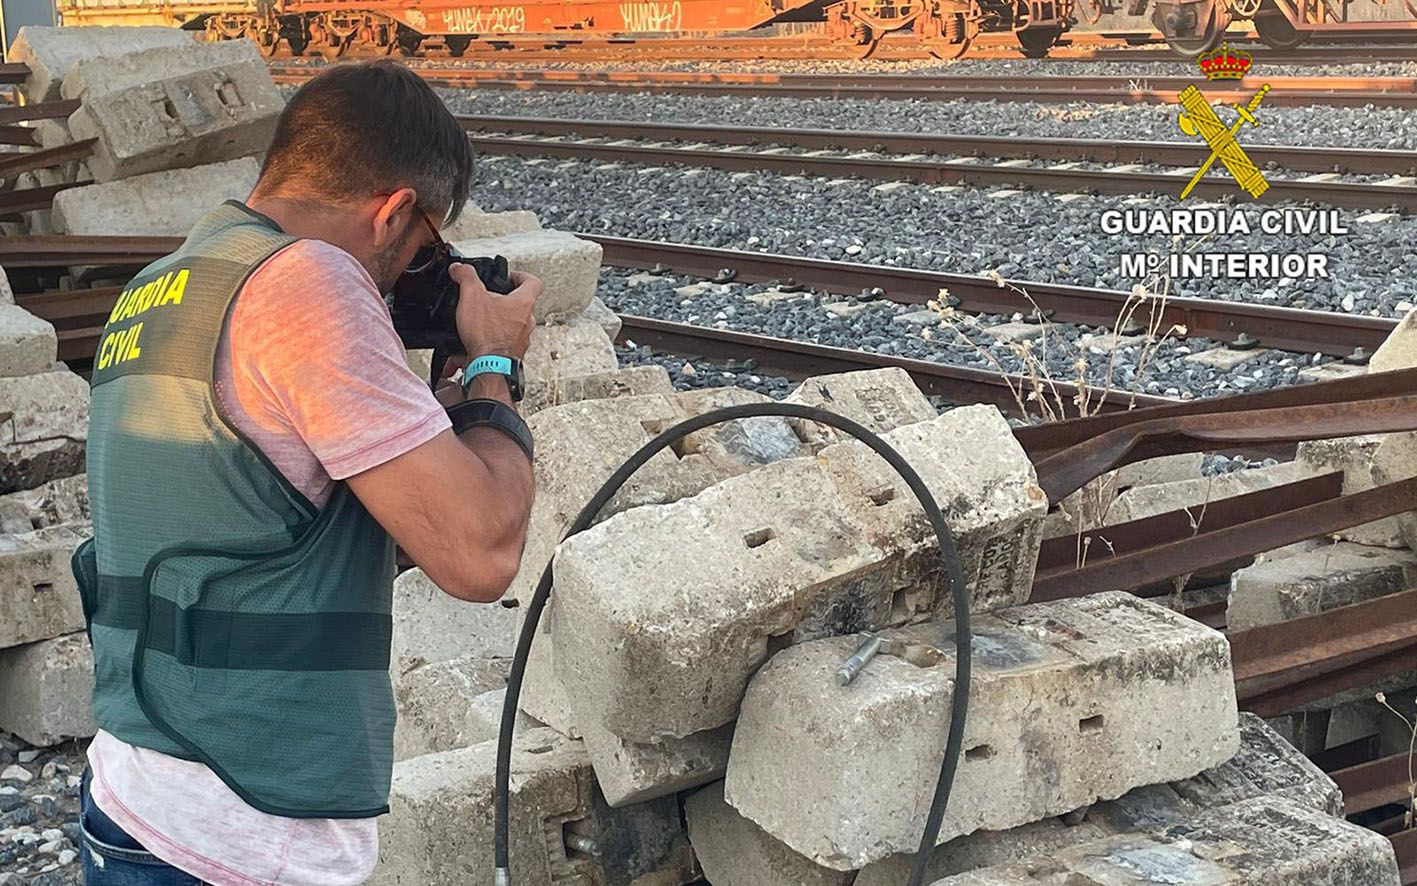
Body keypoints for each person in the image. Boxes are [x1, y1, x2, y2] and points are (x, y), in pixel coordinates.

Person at [72, 59, 538, 885]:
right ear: (395, 211)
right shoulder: (309, 284)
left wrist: (432, 395)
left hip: (138, 796)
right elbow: (478, 555)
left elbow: (294, 532)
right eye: (426, 246)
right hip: (244, 833)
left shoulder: (165, 285)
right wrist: (492, 361)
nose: (410, 272)